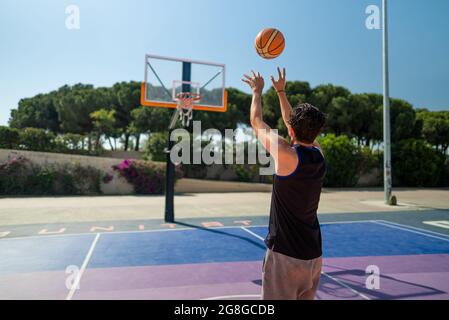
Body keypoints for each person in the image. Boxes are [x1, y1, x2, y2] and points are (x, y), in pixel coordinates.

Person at [242, 68, 327, 300]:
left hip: (285, 256)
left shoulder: (286, 154)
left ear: (291, 129)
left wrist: (257, 91)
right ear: (317, 131)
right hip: (313, 255)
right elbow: (294, 127)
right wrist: (280, 92)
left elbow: (256, 120)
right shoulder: (319, 154)